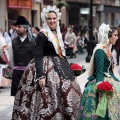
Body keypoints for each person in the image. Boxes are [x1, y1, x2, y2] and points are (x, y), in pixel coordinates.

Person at [12, 6, 81, 120]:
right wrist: (40, 75)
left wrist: (69, 68)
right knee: (46, 95)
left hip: (59, 64)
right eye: (49, 19)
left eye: (54, 18)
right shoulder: (42, 34)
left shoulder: (57, 33)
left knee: (66, 91)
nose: (52, 21)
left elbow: (61, 53)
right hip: (44, 65)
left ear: (57, 19)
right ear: (45, 20)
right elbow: (38, 55)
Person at [79, 23, 120, 120]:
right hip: (101, 81)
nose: (117, 38)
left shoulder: (107, 49)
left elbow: (110, 70)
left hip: (109, 78)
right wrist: (101, 89)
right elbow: (99, 71)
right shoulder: (100, 51)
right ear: (108, 36)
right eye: (115, 35)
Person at [9, 16, 35, 96]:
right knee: (17, 98)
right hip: (17, 74)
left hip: (31, 73)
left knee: (30, 98)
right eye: (16, 26)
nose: (16, 28)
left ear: (26, 28)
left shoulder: (34, 41)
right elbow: (11, 58)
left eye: (19, 26)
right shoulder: (13, 42)